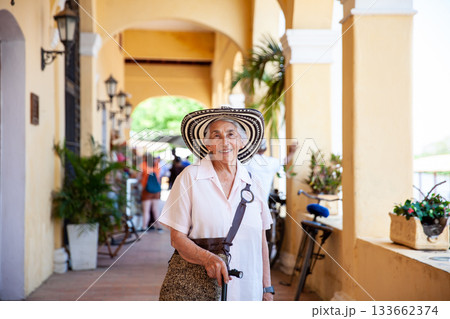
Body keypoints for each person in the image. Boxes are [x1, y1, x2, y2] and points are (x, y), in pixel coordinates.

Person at [159, 106, 274, 301]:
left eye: (231, 134)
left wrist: (267, 288)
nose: (225, 141)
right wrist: (207, 258)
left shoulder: (254, 182)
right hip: (201, 289)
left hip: (249, 289)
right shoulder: (190, 178)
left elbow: (261, 240)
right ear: (207, 144)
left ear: (242, 142)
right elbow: (177, 238)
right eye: (216, 136)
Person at [140, 155, 163, 232]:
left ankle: (144, 227)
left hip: (147, 191)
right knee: (155, 209)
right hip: (156, 191)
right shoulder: (157, 166)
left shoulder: (143, 165)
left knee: (146, 210)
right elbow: (159, 177)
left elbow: (138, 177)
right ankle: (159, 227)